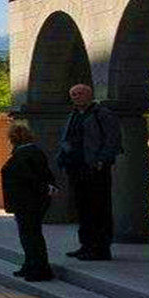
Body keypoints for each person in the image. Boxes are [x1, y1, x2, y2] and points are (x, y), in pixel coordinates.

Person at [55, 84, 122, 261]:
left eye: (80, 93)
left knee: (98, 208)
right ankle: (86, 245)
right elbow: (66, 138)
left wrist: (102, 160)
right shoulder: (73, 115)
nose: (76, 97)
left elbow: (113, 139)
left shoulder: (102, 114)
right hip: (76, 168)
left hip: (95, 168)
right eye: (73, 94)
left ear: (90, 95)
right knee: (82, 208)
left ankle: (101, 249)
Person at [2, 123, 56, 281]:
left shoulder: (24, 155)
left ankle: (39, 269)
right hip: (30, 201)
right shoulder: (32, 152)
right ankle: (30, 265)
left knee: (31, 236)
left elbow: (30, 178)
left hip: (28, 202)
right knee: (29, 235)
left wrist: (43, 189)